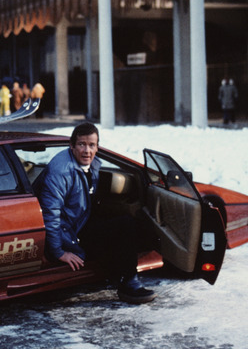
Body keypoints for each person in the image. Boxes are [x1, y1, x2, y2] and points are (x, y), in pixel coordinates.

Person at [33, 122, 157, 304]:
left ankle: (115, 270)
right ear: (72, 146)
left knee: (132, 221)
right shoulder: (61, 172)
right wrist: (59, 252)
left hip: (78, 221)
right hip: (69, 234)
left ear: (97, 147)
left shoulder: (91, 164)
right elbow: (51, 216)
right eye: (82, 144)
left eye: (91, 145)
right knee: (125, 225)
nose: (87, 151)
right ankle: (128, 283)